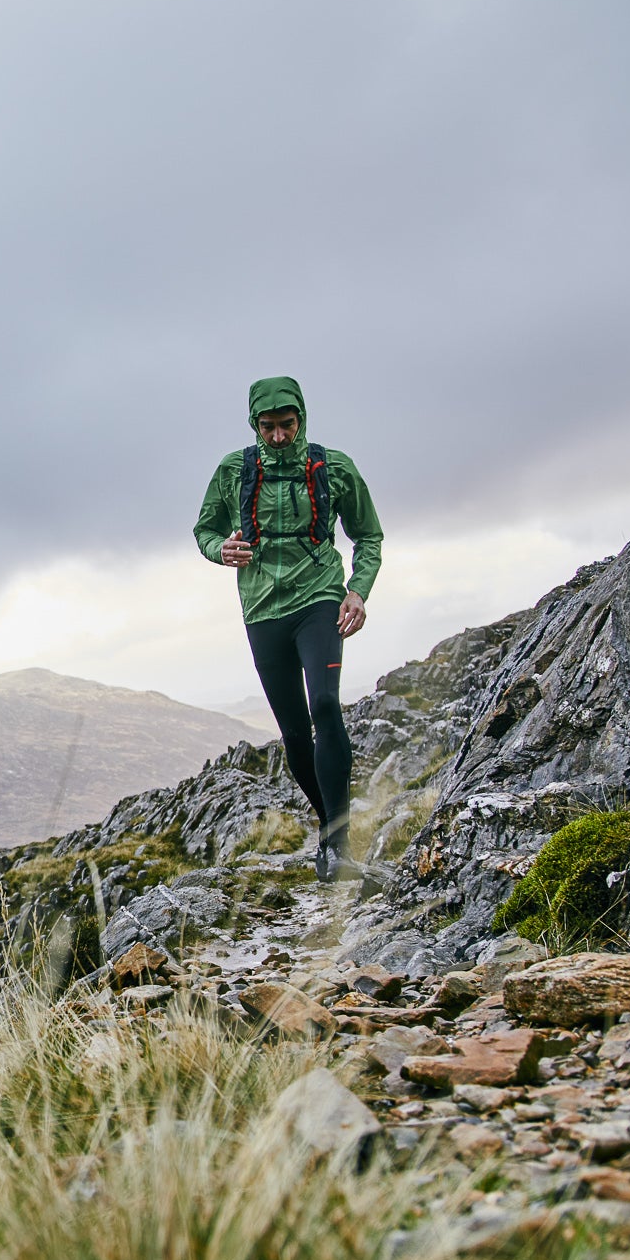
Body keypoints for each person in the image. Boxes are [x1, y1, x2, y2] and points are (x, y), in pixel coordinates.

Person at [192, 376, 383, 881]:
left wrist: (357, 590)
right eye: (268, 426)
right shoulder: (233, 470)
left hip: (320, 598)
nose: (278, 436)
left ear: (302, 419)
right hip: (261, 610)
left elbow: (368, 536)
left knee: (324, 705)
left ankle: (338, 844)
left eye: (287, 425)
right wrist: (220, 551)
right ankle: (330, 834)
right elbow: (204, 529)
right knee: (295, 731)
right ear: (254, 424)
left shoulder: (334, 467)